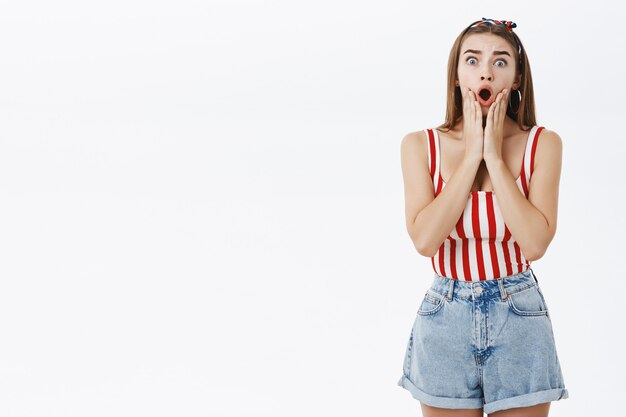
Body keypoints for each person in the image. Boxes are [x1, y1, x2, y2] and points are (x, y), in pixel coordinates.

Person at [396, 18, 569, 416]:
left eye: (500, 61)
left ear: (518, 76)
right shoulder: (420, 146)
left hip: (520, 315)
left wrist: (493, 154)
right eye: (472, 60)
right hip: (445, 316)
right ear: (456, 75)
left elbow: (536, 243)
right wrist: (472, 153)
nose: (486, 71)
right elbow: (425, 240)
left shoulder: (543, 145)